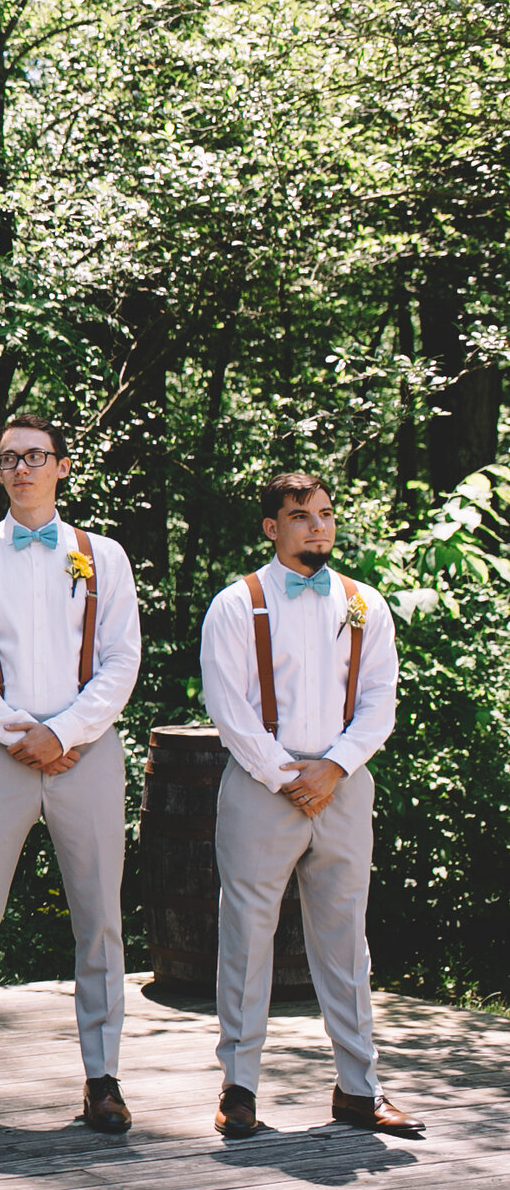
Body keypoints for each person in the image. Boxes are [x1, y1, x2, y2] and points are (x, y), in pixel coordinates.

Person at [0, 415, 142, 1133]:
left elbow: (121, 658)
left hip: (87, 755)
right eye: (8, 458)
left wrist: (68, 731)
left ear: (63, 466)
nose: (21, 468)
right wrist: (21, 735)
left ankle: (103, 1078)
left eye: (35, 456)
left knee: (100, 920)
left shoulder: (103, 556)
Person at [198, 474, 421, 1139]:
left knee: (346, 941)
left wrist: (336, 766)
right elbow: (228, 705)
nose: (318, 527)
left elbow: (380, 698)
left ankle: (359, 1087)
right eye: (301, 516)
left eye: (325, 515)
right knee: (246, 939)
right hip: (263, 789)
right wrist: (282, 773)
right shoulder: (238, 605)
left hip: (344, 787)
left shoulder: (365, 603)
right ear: (272, 527)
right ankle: (239, 1087)